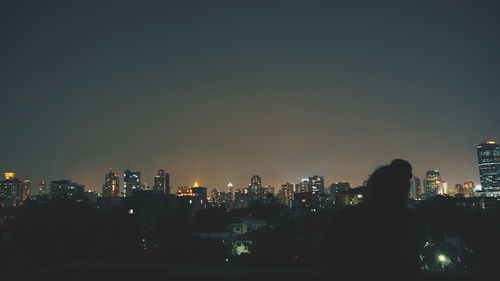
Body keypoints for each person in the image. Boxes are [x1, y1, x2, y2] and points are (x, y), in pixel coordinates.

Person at [321, 159, 420, 281]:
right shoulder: (410, 220)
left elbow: (329, 260)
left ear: (371, 186)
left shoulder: (346, 218)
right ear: (403, 190)